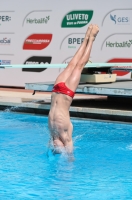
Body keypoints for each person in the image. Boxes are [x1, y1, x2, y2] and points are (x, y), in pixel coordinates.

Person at [48, 24, 99, 158]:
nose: (56, 147)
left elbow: (54, 152)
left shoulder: (54, 137)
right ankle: (90, 38)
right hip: (62, 92)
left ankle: (88, 37)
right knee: (77, 65)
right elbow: (69, 154)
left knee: (74, 65)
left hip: (59, 92)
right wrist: (70, 158)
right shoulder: (61, 137)